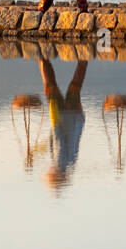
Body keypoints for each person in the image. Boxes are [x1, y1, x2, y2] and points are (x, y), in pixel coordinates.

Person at [40, 58, 87, 191]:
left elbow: (62, 141)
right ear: (54, 175)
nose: (48, 171)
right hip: (63, 116)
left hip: (76, 117)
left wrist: (37, 150)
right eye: (49, 174)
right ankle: (42, 57)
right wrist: (54, 119)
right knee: (50, 87)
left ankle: (84, 58)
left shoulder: (70, 163)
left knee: (75, 86)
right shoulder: (59, 162)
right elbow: (58, 138)